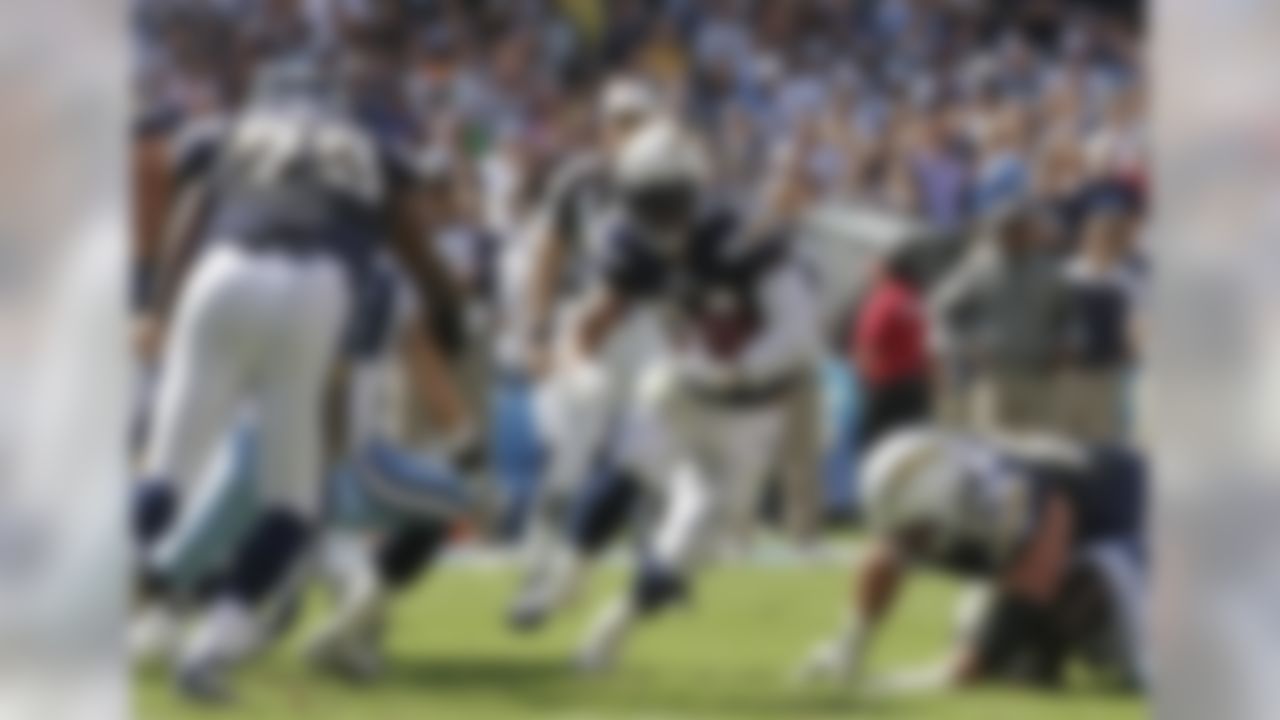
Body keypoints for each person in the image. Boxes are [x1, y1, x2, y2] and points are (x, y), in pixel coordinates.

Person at [130, 52, 463, 702]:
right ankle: (206, 655)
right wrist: (454, 312)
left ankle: (94, 611)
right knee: (292, 508)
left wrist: (156, 306)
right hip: (316, 289)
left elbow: (189, 210)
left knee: (165, 475)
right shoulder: (371, 147)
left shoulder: (233, 132)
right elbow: (419, 249)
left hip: (222, 273)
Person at [561, 119, 825, 671]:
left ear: (695, 190)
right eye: (647, 200)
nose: (660, 215)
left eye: (670, 199)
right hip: (681, 381)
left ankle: (613, 629)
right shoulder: (623, 237)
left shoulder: (741, 230)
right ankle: (568, 575)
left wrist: (734, 371)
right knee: (630, 457)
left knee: (694, 537)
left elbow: (799, 332)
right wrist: (573, 359)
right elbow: (594, 314)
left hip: (748, 405)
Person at [795, 426, 1149, 693]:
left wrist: (955, 671)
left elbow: (1039, 569)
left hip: (1149, 535)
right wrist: (851, 644)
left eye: (917, 533)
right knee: (1012, 660)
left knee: (1080, 601)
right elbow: (887, 553)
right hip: (1087, 537)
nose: (910, 546)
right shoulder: (941, 488)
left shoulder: (1007, 493)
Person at [506, 76, 666, 629]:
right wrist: (536, 329)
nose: (627, 132)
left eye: (638, 120)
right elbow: (546, 256)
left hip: (651, 325)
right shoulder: (581, 180)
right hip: (588, 322)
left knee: (645, 453)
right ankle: (537, 577)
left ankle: (646, 566)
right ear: (604, 126)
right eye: (619, 121)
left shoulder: (674, 179)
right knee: (569, 454)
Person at [851, 246, 932, 450]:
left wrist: (860, 384)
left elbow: (868, 345)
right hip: (915, 387)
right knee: (911, 448)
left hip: (886, 389)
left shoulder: (884, 300)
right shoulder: (914, 297)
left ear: (885, 269)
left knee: (875, 451)